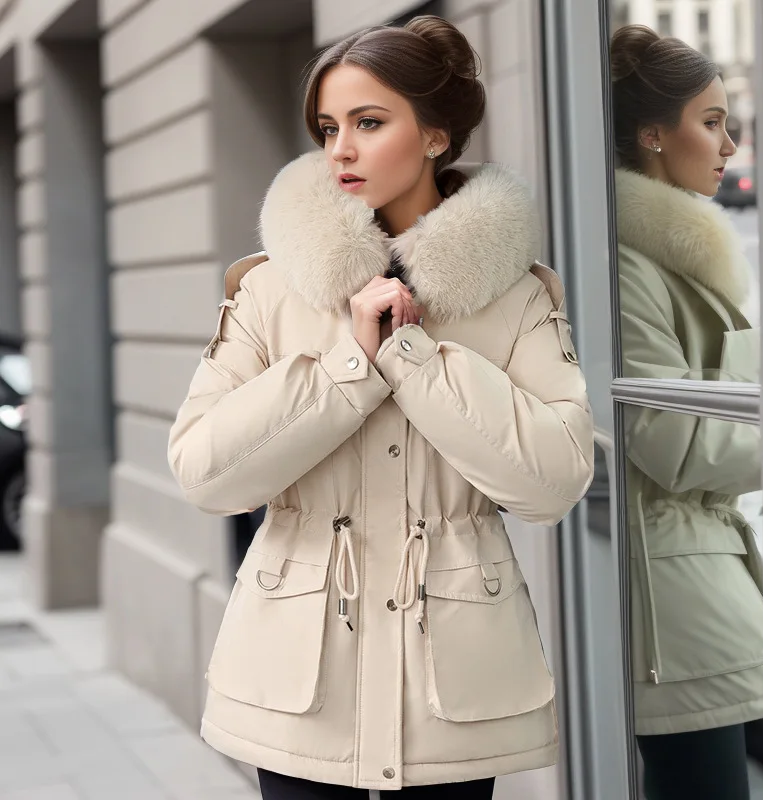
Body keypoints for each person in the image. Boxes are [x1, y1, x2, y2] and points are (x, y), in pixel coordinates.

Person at [168, 15, 594, 799]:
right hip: (299, 672)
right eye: (329, 127)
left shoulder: (517, 295)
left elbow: (554, 481)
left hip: (454, 674)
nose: (341, 150)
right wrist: (345, 366)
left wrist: (412, 353)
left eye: (369, 122)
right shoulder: (270, 288)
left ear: (436, 136)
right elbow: (203, 473)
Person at [611, 24, 763, 800]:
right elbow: (670, 442)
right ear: (651, 133)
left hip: (701, 576)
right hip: (672, 597)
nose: (729, 145)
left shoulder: (665, 259)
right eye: (711, 121)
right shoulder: (629, 265)